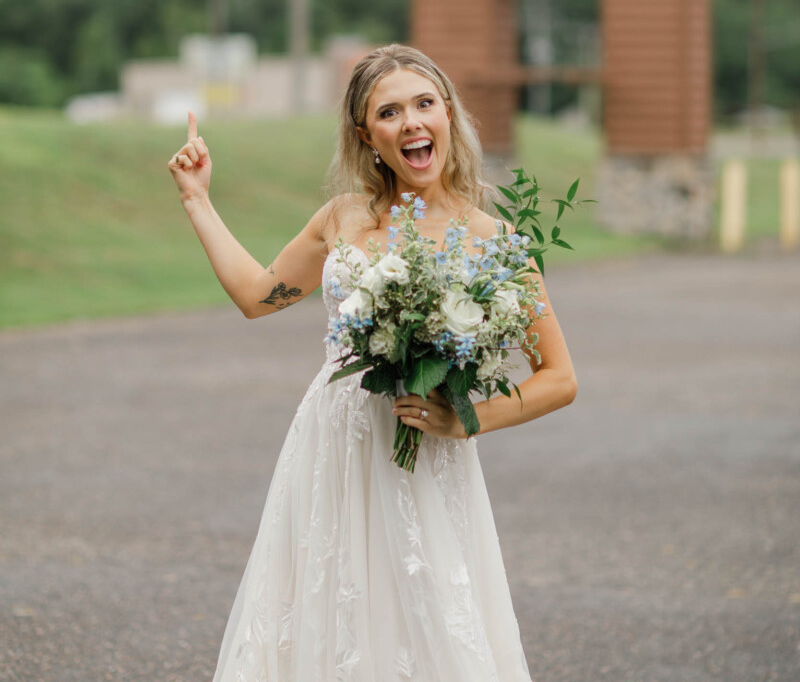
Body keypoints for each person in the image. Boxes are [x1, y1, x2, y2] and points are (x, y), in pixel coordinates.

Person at [168, 43, 577, 681]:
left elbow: (559, 377)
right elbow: (257, 296)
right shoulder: (343, 217)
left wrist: (468, 419)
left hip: (427, 451)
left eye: (424, 104)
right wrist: (197, 200)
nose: (411, 122)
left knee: (427, 615)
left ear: (448, 116)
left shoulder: (494, 243)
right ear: (368, 136)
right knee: (329, 613)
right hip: (332, 445)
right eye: (390, 113)